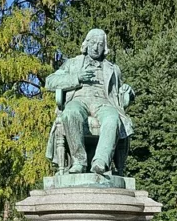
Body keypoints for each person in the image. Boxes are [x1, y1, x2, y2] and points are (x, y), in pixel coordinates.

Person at [45, 29, 135, 175]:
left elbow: (120, 91)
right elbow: (50, 82)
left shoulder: (113, 69)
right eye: (93, 43)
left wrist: (128, 91)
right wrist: (77, 78)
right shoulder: (73, 64)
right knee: (70, 114)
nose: (95, 47)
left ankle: (100, 162)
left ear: (104, 47)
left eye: (100, 44)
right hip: (79, 100)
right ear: (86, 44)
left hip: (104, 102)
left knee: (113, 118)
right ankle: (79, 161)